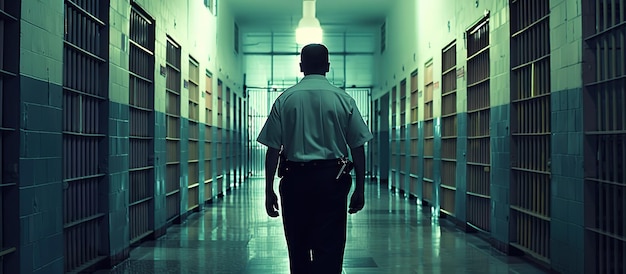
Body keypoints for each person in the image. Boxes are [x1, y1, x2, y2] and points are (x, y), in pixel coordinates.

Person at [256, 43, 373, 274]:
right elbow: (358, 146)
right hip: (333, 180)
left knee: (297, 245)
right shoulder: (344, 99)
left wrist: (269, 189)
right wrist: (360, 188)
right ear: (328, 66)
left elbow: (272, 149)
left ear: (301, 66)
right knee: (330, 245)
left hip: (295, 180)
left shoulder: (285, 99)